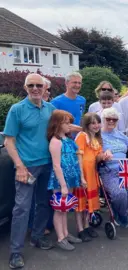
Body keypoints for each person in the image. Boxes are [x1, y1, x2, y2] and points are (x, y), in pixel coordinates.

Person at [4, 74, 56, 269]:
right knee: (22, 208)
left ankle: (37, 237)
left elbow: (62, 129)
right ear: (26, 88)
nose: (35, 89)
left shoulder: (51, 109)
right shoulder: (17, 110)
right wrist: (19, 165)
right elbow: (9, 141)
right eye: (31, 85)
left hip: (47, 164)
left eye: (39, 85)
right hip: (27, 167)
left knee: (44, 203)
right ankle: (15, 252)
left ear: (45, 88)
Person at [47, 110, 83, 250]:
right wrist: (62, 185)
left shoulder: (68, 140)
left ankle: (66, 233)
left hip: (70, 178)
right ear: (58, 124)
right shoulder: (55, 142)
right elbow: (56, 165)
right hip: (60, 180)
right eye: (66, 123)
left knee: (65, 207)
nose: (70, 125)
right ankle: (60, 237)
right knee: (59, 208)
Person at [73, 113, 108, 242]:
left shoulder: (97, 138)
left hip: (92, 174)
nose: (96, 125)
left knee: (89, 201)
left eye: (98, 122)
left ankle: (87, 225)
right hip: (83, 173)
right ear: (87, 125)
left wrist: (105, 155)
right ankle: (80, 229)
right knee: (80, 202)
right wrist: (81, 177)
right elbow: (79, 156)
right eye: (93, 123)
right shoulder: (82, 136)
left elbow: (97, 157)